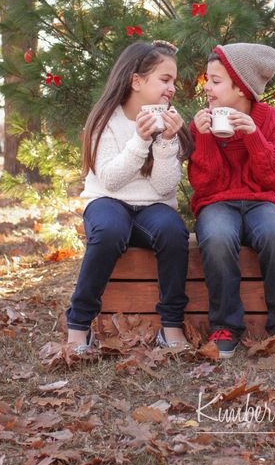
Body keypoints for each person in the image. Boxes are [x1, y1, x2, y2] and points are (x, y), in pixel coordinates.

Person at [66, 41, 193, 352]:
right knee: (109, 230)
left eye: (173, 81)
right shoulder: (105, 119)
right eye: (165, 79)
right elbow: (109, 179)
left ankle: (172, 325)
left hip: (153, 207)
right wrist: (140, 139)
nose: (171, 88)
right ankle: (79, 324)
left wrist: (165, 142)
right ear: (137, 81)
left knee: (174, 232)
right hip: (107, 203)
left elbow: (165, 187)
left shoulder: (169, 122)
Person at [188, 43, 275, 358]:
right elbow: (202, 184)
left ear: (240, 86)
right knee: (218, 237)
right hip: (217, 202)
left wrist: (254, 136)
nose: (207, 88)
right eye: (207, 80)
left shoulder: (270, 121)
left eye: (215, 81)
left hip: (262, 201)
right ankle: (225, 325)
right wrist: (205, 137)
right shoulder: (202, 123)